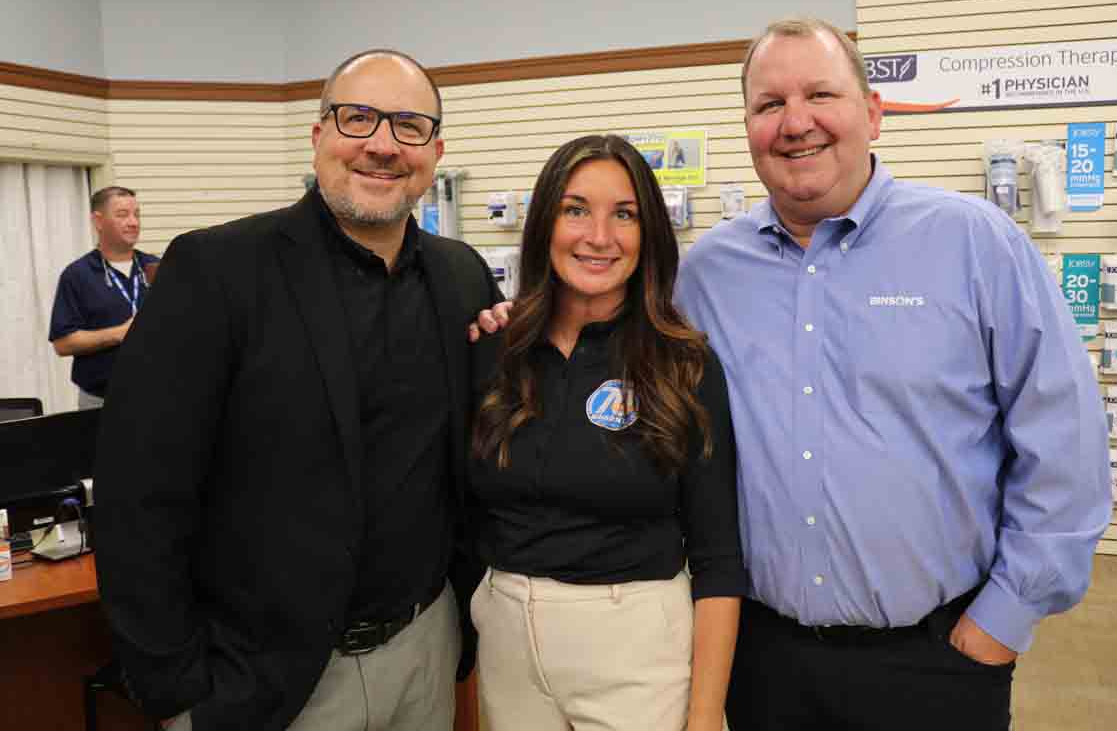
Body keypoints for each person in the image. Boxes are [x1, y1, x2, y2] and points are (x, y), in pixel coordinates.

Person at [673, 18, 1112, 729]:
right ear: (747, 125)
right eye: (768, 104)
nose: (796, 123)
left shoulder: (974, 243)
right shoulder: (706, 276)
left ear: (872, 113)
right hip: (763, 664)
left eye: (821, 94)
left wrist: (1003, 620)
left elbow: (1066, 445)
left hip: (937, 663)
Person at [94, 49, 501, 731]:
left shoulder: (462, 278)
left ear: (434, 151)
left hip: (426, 652)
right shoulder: (215, 272)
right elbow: (139, 494)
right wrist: (177, 690)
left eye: (407, 125)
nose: (380, 144)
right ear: (318, 137)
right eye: (357, 118)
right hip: (263, 681)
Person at [468, 134, 745, 731]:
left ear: (649, 235)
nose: (599, 236)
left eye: (624, 215)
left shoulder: (684, 365)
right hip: (508, 642)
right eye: (575, 210)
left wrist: (703, 716)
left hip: (637, 649)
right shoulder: (496, 349)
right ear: (545, 223)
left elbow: (719, 557)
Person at [49, 186, 158, 408]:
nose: (133, 222)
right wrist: (120, 334)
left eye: (136, 214)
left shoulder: (156, 268)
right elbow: (63, 343)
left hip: (155, 395)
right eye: (122, 215)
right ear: (98, 221)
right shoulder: (78, 275)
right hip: (100, 401)